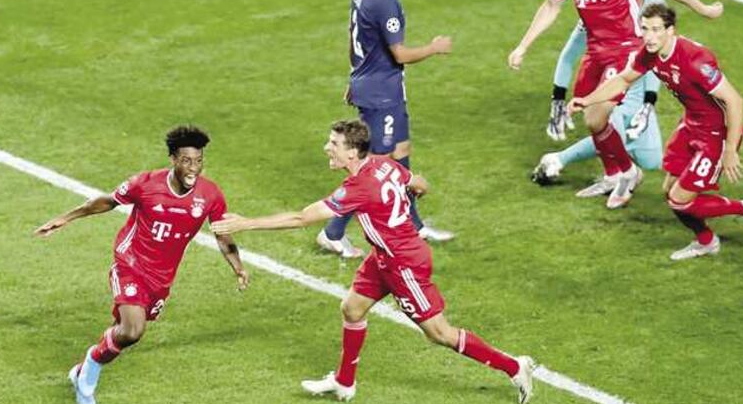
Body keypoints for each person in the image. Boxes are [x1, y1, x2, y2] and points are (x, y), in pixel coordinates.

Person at [211, 120, 535, 403]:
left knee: (439, 333)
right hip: (383, 257)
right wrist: (414, 196)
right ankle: (344, 383)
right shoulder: (383, 164)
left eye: (334, 144)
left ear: (352, 152)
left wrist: (246, 223)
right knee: (352, 309)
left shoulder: (358, 187)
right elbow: (418, 182)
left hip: (404, 264)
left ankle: (514, 367)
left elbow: (301, 218)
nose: (327, 148)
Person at [34, 126, 250, 404]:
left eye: (198, 161)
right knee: (133, 330)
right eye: (186, 161)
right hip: (131, 264)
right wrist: (66, 218)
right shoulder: (146, 184)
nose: (193, 168)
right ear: (173, 159)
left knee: (122, 331)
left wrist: (237, 266)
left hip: (162, 278)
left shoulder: (210, 195)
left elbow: (222, 233)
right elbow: (108, 201)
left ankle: (81, 372)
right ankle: (87, 376)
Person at [508, 0, 723, 209]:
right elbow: (551, 6)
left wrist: (704, 9)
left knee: (595, 117)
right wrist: (523, 46)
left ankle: (628, 172)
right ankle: (613, 175)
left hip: (625, 48)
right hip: (595, 51)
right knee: (591, 117)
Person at [568, 3, 743, 260]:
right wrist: (587, 100)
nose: (649, 36)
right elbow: (623, 80)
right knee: (670, 191)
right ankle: (710, 240)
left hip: (716, 134)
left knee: (679, 199)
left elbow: (735, 101)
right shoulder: (650, 53)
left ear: (670, 30)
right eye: (644, 29)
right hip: (691, 124)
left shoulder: (695, 60)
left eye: (656, 30)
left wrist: (730, 150)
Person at [318, 0, 454, 259]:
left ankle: (414, 224)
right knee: (372, 167)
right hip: (380, 94)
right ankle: (332, 232)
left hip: (382, 86)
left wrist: (356, 76)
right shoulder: (384, 0)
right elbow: (400, 54)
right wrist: (434, 48)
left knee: (401, 150)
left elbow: (356, 35)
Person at [532, 0, 666, 196]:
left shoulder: (653, 5)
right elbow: (568, 56)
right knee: (611, 131)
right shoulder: (596, 14)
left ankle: (613, 151)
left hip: (638, 91)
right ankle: (563, 160)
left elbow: (656, 56)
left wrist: (649, 102)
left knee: (651, 159)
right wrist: (558, 97)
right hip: (609, 89)